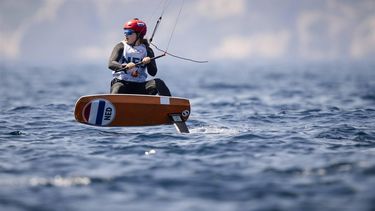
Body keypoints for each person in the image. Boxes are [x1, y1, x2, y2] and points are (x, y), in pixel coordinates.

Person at [108, 18, 171, 96]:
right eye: (125, 32)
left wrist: (149, 62)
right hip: (122, 83)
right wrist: (124, 66)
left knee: (159, 83)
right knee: (118, 87)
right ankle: (112, 105)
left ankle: (170, 106)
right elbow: (111, 64)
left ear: (138, 34)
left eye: (129, 32)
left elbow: (153, 72)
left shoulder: (148, 50)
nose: (126, 35)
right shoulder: (121, 46)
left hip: (140, 86)